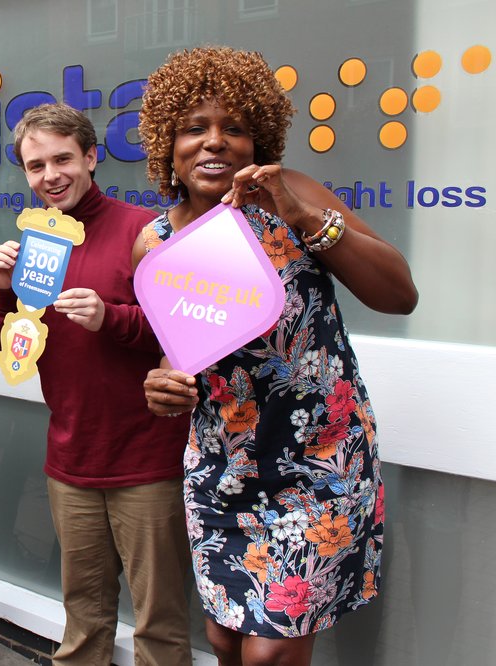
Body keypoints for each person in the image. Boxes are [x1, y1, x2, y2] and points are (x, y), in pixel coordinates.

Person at [136, 46, 418, 666]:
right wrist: (160, 384)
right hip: (222, 469)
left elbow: (400, 295)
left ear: (256, 141)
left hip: (319, 467)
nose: (215, 142)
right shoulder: (155, 244)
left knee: (269, 653)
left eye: (233, 127)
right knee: (223, 641)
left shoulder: (293, 197)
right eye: (194, 128)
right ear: (168, 146)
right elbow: (173, 357)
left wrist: (300, 216)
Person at [0, 103, 192, 666]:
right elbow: (8, 348)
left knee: (159, 623)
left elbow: (184, 329)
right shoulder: (36, 240)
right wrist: (3, 290)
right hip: (71, 460)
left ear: (91, 158)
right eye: (35, 166)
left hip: (146, 459)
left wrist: (113, 317)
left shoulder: (143, 231)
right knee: (83, 617)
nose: (49, 175)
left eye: (62, 159)